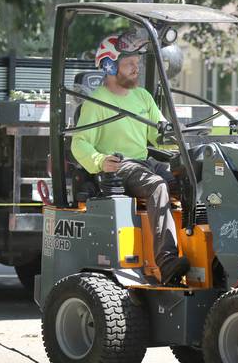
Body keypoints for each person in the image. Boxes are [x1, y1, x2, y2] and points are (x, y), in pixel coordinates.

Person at [71, 30, 190, 285]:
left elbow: (158, 135)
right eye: (129, 64)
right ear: (109, 66)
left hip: (144, 162)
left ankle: (199, 254)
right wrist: (100, 161)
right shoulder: (96, 102)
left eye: (137, 63)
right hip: (119, 165)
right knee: (157, 186)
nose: (136, 69)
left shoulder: (143, 97)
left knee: (191, 180)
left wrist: (176, 137)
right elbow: (79, 144)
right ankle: (167, 262)